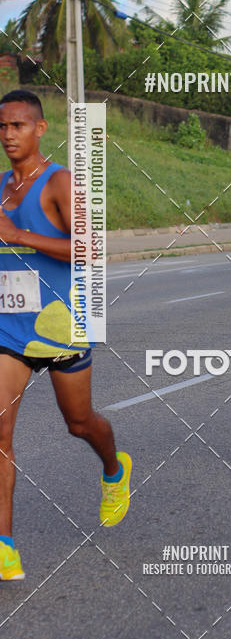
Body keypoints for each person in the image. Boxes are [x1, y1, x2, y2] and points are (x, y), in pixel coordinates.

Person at [0, 90, 131, 581]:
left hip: (61, 325)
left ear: (40, 128)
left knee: (79, 423)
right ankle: (4, 546)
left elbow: (89, 248)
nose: (9, 134)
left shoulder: (59, 182)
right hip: (9, 326)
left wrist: (19, 236)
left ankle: (114, 467)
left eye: (18, 125)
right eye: (2, 127)